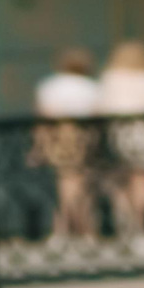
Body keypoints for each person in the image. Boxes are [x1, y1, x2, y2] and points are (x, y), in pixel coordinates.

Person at [95, 40, 144, 238]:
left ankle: (124, 224)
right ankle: (142, 225)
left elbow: (103, 107)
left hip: (118, 134)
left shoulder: (111, 78)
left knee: (120, 182)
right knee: (142, 181)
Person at [32, 48, 102, 241]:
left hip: (59, 135)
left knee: (67, 181)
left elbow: (43, 118)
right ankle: (79, 228)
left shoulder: (50, 86)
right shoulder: (91, 87)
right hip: (83, 136)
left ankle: (66, 228)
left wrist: (39, 145)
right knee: (77, 182)